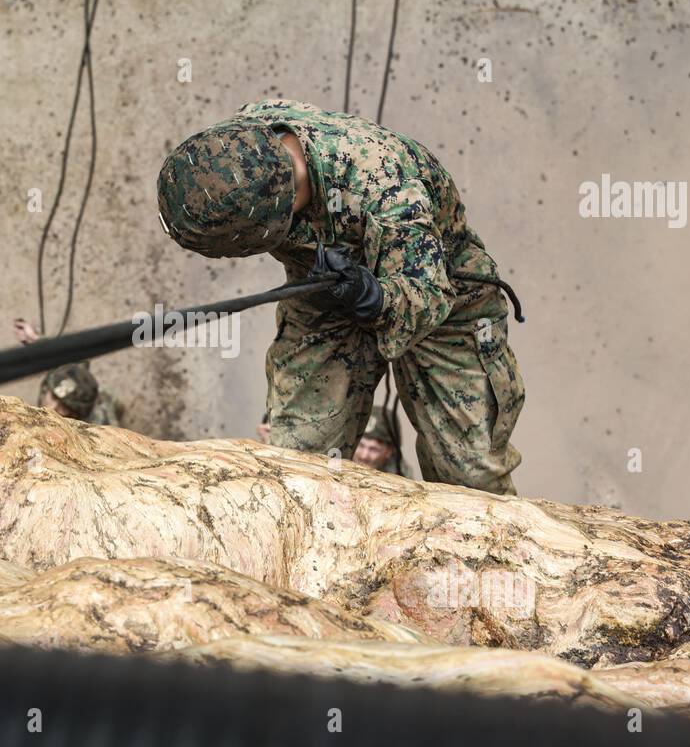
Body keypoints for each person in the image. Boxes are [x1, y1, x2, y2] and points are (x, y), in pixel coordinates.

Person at [156, 98, 525, 495]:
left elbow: (428, 294)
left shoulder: (384, 184)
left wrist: (372, 297)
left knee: (471, 477)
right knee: (298, 466)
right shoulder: (238, 148)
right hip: (324, 293)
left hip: (444, 296)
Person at [13, 319, 123, 427]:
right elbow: (67, 353)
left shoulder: (97, 425)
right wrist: (35, 340)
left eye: (64, 407)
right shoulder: (61, 375)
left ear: (75, 414)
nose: (51, 408)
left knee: (113, 403)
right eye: (54, 397)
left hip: (101, 405)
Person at [353, 406, 413, 478]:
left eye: (374, 449)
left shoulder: (400, 478)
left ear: (389, 451)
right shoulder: (339, 457)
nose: (364, 456)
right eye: (360, 445)